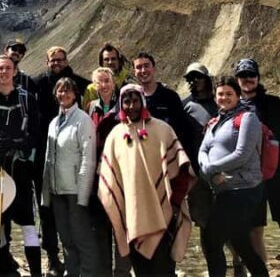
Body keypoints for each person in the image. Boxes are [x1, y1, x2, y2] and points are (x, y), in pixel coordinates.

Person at [98, 84, 194, 277]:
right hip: (131, 215)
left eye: (135, 101)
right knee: (141, 268)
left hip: (162, 212)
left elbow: (182, 171)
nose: (131, 106)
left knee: (164, 268)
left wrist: (173, 204)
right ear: (120, 104)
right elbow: (107, 181)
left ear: (143, 102)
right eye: (126, 101)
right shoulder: (115, 136)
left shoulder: (162, 130)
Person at [235, 58, 280, 277]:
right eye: (243, 76)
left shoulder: (275, 104)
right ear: (237, 80)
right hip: (250, 178)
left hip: (278, 174)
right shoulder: (232, 108)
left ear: (258, 77)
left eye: (251, 75)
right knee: (255, 230)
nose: (247, 79)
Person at [198, 77, 269, 277]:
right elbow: (203, 149)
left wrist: (211, 168)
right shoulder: (214, 122)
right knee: (241, 243)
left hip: (243, 190)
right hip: (224, 190)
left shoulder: (248, 119)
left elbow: (242, 154)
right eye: (220, 94)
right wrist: (209, 171)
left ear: (238, 96)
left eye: (229, 93)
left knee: (211, 241)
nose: (224, 97)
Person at [0, 55, 42, 276]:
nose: (5, 72)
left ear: (15, 72)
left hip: (21, 170)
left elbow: (36, 133)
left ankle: (36, 272)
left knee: (27, 221)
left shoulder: (28, 99)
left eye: (8, 68)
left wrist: (17, 142)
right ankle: (3, 267)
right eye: (0, 68)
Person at [32, 47, 90, 276]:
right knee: (46, 209)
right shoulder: (36, 84)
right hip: (44, 157)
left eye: (60, 60)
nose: (56, 63)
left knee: (74, 211)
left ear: (67, 61)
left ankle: (76, 259)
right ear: (46, 62)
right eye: (52, 60)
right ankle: (52, 257)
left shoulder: (82, 85)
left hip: (73, 157)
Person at [42, 77, 98, 276]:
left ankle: (90, 273)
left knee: (82, 238)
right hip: (57, 191)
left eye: (67, 91)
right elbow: (49, 159)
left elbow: (88, 158)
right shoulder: (53, 122)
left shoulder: (83, 120)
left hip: (75, 191)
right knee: (65, 237)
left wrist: (83, 195)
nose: (63, 94)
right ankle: (72, 272)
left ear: (75, 94)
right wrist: (46, 194)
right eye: (59, 91)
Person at [180, 62, 216, 273]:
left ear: (206, 79)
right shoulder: (185, 106)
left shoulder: (220, 101)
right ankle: (212, 265)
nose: (194, 82)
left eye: (198, 77)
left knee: (230, 222)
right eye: (190, 79)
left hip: (222, 175)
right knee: (204, 223)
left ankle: (238, 264)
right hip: (196, 175)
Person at [86, 68, 121, 275]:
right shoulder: (91, 108)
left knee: (119, 226)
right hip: (97, 174)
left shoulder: (123, 105)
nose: (104, 85)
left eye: (107, 81)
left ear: (113, 82)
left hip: (117, 172)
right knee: (100, 226)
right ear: (94, 85)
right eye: (99, 82)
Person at [132, 53, 193, 153]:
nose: (143, 70)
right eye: (139, 67)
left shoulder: (170, 97)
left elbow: (183, 130)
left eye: (146, 66)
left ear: (154, 68)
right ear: (134, 72)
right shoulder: (132, 100)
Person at [83, 43, 131, 108]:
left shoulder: (129, 79)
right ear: (101, 62)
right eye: (106, 59)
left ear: (119, 61)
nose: (110, 62)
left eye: (113, 59)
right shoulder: (92, 89)